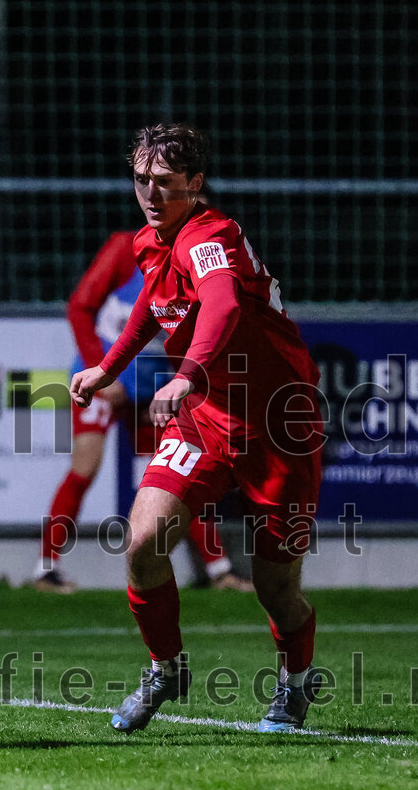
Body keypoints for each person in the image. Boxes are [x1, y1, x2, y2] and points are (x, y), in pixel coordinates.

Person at [71, 123, 323, 734]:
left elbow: (224, 304)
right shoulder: (148, 243)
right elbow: (151, 307)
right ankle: (165, 667)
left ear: (195, 183)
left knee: (275, 586)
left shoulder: (212, 235)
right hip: (206, 419)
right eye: (141, 180)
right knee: (142, 541)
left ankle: (292, 687)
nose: (151, 193)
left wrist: (186, 372)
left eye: (164, 182)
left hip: (279, 424)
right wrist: (108, 365)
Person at [37, 228, 253, 594]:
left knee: (179, 473)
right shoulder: (126, 248)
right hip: (105, 379)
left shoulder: (206, 261)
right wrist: (99, 371)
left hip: (153, 387)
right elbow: (80, 306)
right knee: (85, 466)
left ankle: (220, 572)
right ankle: (45, 569)